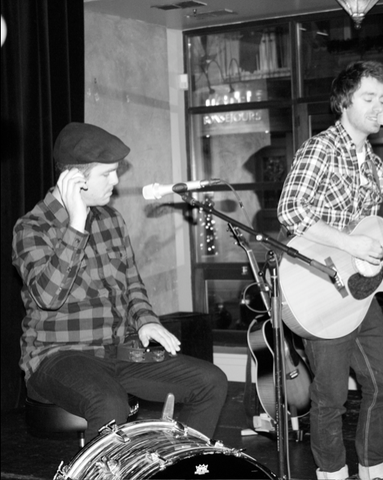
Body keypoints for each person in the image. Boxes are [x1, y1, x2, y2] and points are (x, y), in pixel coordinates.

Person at [277, 61, 383, 480]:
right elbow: (291, 210)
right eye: (369, 97)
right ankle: (331, 473)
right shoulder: (320, 149)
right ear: (343, 102)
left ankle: (373, 468)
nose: (378, 107)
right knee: (331, 396)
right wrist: (350, 245)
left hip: (357, 291)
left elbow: (369, 236)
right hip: (318, 285)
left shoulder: (375, 167)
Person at [12, 122, 228, 443]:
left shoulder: (111, 220)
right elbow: (48, 296)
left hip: (120, 352)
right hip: (58, 356)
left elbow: (132, 284)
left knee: (211, 381)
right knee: (110, 403)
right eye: (107, 173)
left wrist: (146, 320)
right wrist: (76, 225)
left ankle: (171, 463)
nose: (116, 181)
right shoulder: (32, 228)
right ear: (75, 178)